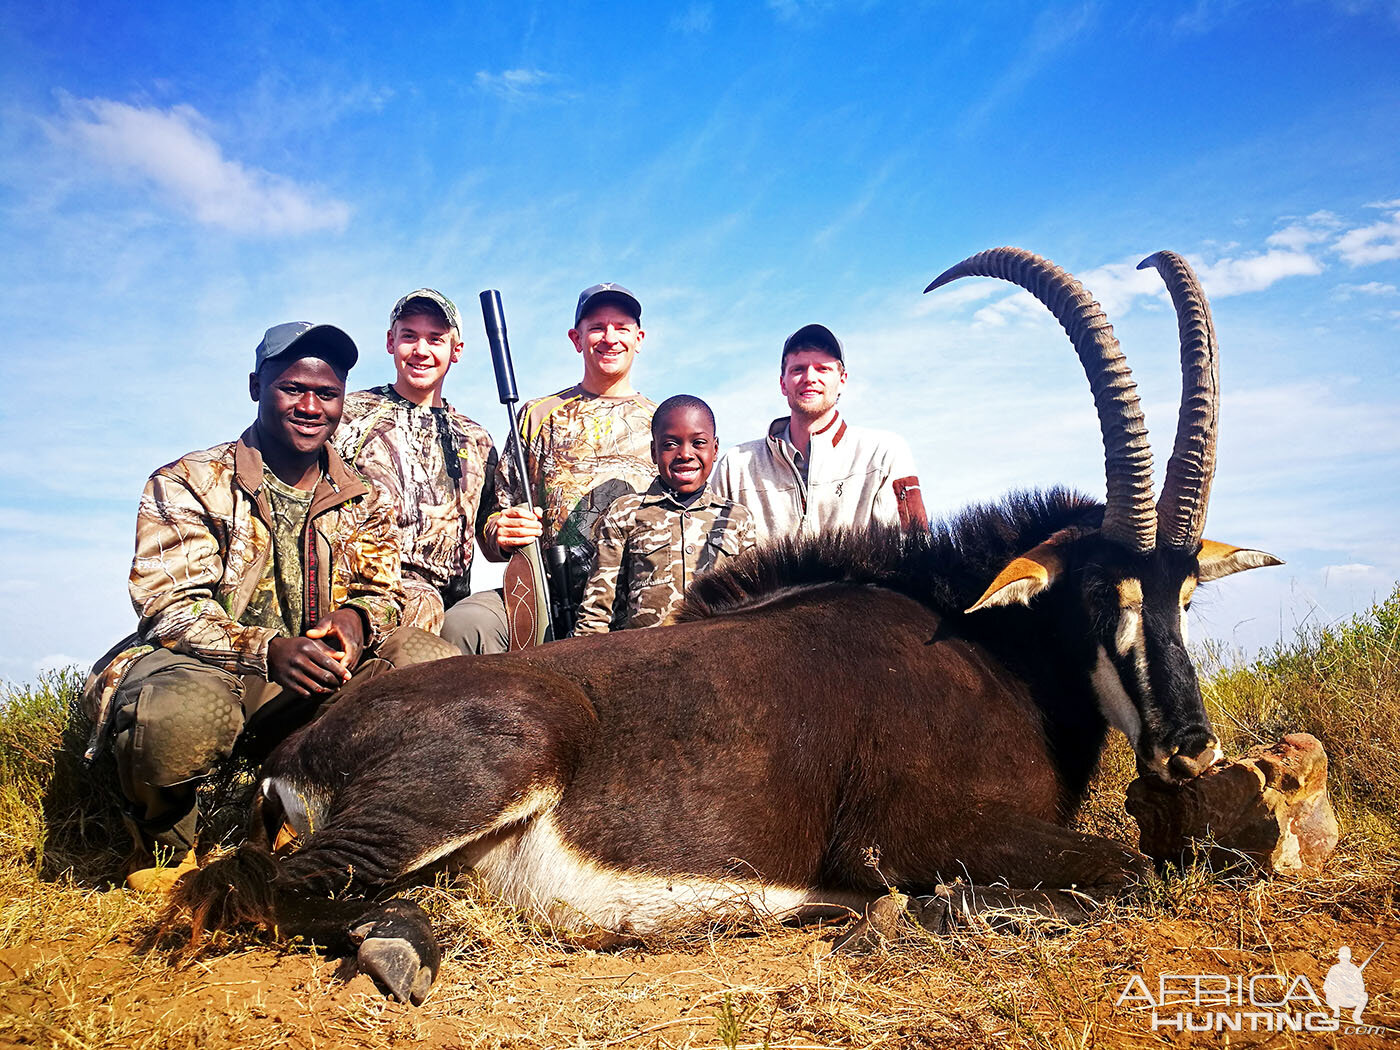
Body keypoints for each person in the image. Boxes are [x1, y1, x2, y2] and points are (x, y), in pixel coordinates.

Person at [82, 321, 456, 892]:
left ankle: (360, 828)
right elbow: (169, 606)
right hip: (218, 671)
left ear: (342, 403)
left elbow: (384, 591)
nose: (310, 406)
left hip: (319, 680)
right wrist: (269, 650)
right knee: (175, 713)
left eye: (326, 394)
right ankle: (169, 847)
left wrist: (357, 619)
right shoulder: (187, 480)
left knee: (433, 665)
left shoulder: (364, 494)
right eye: (292, 389)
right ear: (256, 386)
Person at [451, 283, 657, 646]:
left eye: (621, 328)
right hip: (548, 596)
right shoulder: (536, 415)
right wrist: (501, 530)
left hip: (636, 604)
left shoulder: (664, 423)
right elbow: (494, 520)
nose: (610, 338)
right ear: (576, 338)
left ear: (639, 338)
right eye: (597, 328)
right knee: (464, 624)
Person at [333, 289, 501, 645]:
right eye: (409, 336)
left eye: (435, 339)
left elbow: (489, 532)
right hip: (357, 597)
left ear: (456, 351)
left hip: (449, 608)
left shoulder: (476, 438)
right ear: (391, 342)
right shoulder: (346, 416)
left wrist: (505, 530)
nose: (421, 350)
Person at [712, 323, 926, 546]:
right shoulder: (735, 465)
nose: (810, 377)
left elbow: (912, 551)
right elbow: (713, 560)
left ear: (842, 380)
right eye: (798, 369)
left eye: (823, 368)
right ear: (782, 384)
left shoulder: (884, 453)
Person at [575, 395, 755, 634]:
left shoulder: (737, 518)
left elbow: (753, 605)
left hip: (717, 657)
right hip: (645, 659)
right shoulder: (625, 513)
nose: (685, 454)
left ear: (715, 449)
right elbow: (596, 613)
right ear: (653, 451)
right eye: (670, 444)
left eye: (698, 443)